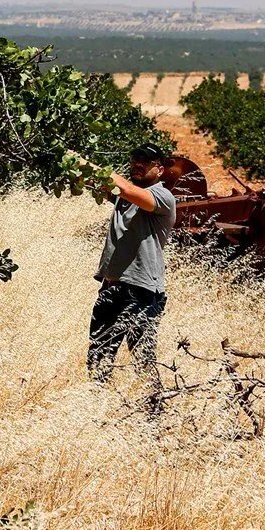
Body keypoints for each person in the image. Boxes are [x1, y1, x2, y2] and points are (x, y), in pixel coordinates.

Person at [76, 143, 177, 409]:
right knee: (98, 354)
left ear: (160, 168)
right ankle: (94, 411)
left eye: (146, 160)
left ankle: (154, 416)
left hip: (142, 290)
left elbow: (129, 190)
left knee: (143, 358)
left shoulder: (162, 197)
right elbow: (100, 186)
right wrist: (71, 164)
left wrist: (86, 163)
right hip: (111, 287)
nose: (137, 164)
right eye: (134, 159)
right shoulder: (124, 197)